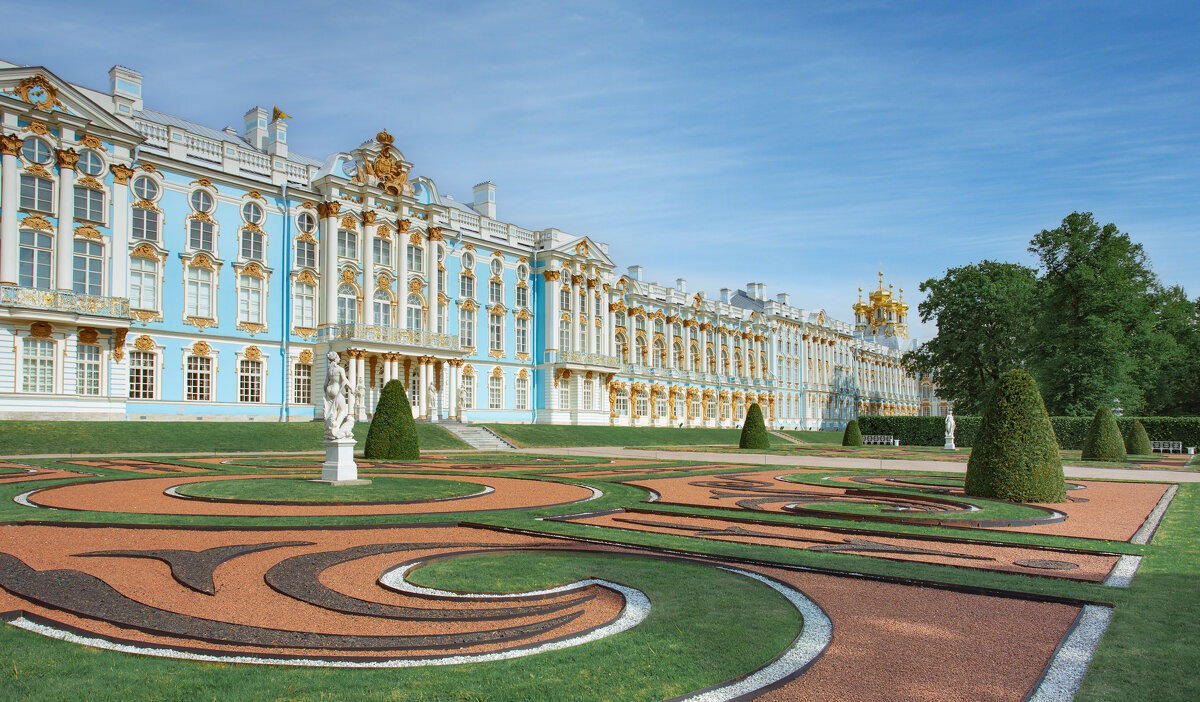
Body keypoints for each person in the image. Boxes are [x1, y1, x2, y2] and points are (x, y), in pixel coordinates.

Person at [323, 351, 355, 440]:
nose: (339, 359)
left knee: (332, 410)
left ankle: (330, 426)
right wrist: (351, 388)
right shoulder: (340, 369)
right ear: (336, 358)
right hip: (336, 389)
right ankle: (336, 427)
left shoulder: (329, 370)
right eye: (338, 358)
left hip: (329, 389)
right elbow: (344, 380)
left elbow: (325, 384)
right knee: (342, 411)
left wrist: (326, 393)